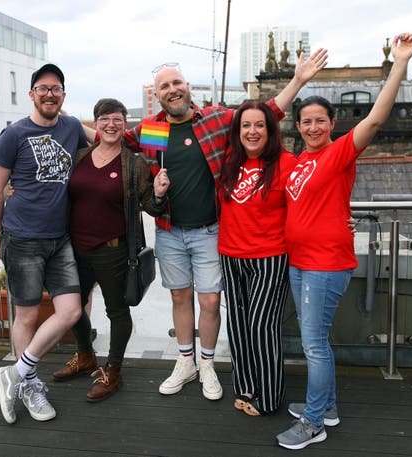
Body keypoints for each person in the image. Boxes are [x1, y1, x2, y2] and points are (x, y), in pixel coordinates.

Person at [121, 49, 328, 401]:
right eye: (164, 86)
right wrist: (63, 122)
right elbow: (110, 137)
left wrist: (299, 80)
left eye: (176, 82)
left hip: (209, 231)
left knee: (211, 302)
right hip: (170, 231)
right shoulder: (152, 128)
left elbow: (265, 115)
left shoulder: (214, 119)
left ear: (186, 86)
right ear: (157, 95)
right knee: (179, 297)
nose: (172, 90)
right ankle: (185, 362)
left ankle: (207, 365)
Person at [277, 33, 412, 450]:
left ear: (331, 124)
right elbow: (258, 124)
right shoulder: (297, 161)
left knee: (314, 344)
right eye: (307, 121)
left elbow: (375, 118)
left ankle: (315, 421)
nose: (314, 126)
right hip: (299, 261)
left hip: (325, 263)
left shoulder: (339, 153)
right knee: (314, 340)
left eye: (321, 120)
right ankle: (328, 407)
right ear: (298, 127)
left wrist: (400, 64)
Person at [51, 98, 170, 402]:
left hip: (113, 251)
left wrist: (158, 194)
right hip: (75, 248)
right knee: (72, 308)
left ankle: (113, 370)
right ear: (96, 124)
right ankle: (85, 355)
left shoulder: (134, 162)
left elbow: (151, 208)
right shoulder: (80, 157)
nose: (111, 124)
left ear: (125, 123)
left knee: (117, 311)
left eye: (118, 119)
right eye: (105, 119)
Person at [0, 63, 87, 424]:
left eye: (56, 88)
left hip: (60, 239)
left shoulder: (72, 126)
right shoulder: (13, 135)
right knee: (27, 315)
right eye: (43, 88)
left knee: (71, 312)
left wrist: (162, 131)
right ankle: (28, 386)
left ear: (63, 94)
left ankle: (15, 373)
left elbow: (111, 137)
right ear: (32, 94)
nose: (50, 94)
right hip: (22, 239)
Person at [217, 101, 298, 415]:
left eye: (259, 125)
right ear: (237, 132)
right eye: (245, 126)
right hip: (230, 254)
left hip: (270, 256)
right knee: (238, 325)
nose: (252, 132)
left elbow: (312, 198)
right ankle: (246, 386)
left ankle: (270, 395)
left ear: (271, 129)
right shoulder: (228, 160)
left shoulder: (287, 163)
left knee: (262, 326)